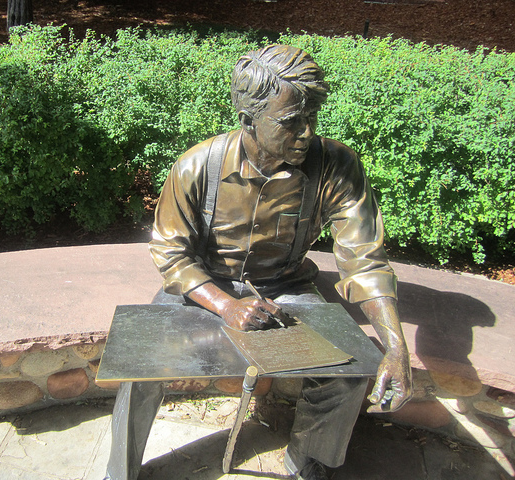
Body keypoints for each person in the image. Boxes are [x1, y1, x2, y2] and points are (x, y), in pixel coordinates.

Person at [104, 44, 412, 480]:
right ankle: (120, 472)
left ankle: (307, 463)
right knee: (140, 366)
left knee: (348, 373)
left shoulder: (337, 167)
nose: (306, 133)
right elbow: (172, 254)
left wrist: (396, 347)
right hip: (202, 286)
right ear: (248, 118)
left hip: (286, 284)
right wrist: (225, 304)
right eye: (290, 123)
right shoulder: (197, 167)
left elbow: (363, 260)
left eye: (311, 119)